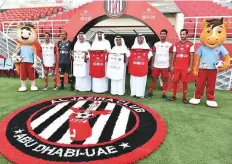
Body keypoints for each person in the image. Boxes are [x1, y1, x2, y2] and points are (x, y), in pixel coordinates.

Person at [169, 29, 194, 103]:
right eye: (181, 34)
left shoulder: (190, 44)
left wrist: (190, 67)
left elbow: (192, 56)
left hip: (185, 68)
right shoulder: (176, 44)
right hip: (177, 67)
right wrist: (172, 65)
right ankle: (173, 96)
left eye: (183, 34)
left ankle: (184, 98)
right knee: (174, 81)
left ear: (187, 35)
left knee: (185, 82)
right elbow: (174, 55)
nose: (182, 36)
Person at [147, 29, 173, 100]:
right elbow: (153, 55)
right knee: (153, 79)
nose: (162, 35)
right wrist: (152, 63)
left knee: (165, 80)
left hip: (165, 65)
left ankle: (164, 94)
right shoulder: (156, 44)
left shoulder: (169, 45)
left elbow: (171, 55)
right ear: (160, 35)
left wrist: (170, 65)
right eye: (161, 34)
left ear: (166, 35)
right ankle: (151, 92)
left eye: (164, 34)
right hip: (156, 65)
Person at [129, 34, 153, 98]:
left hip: (142, 67)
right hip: (134, 67)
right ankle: (133, 93)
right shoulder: (133, 46)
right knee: (134, 80)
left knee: (141, 81)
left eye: (141, 38)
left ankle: (140, 94)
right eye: (138, 38)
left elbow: (149, 56)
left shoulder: (146, 47)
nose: (139, 39)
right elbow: (129, 56)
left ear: (143, 39)